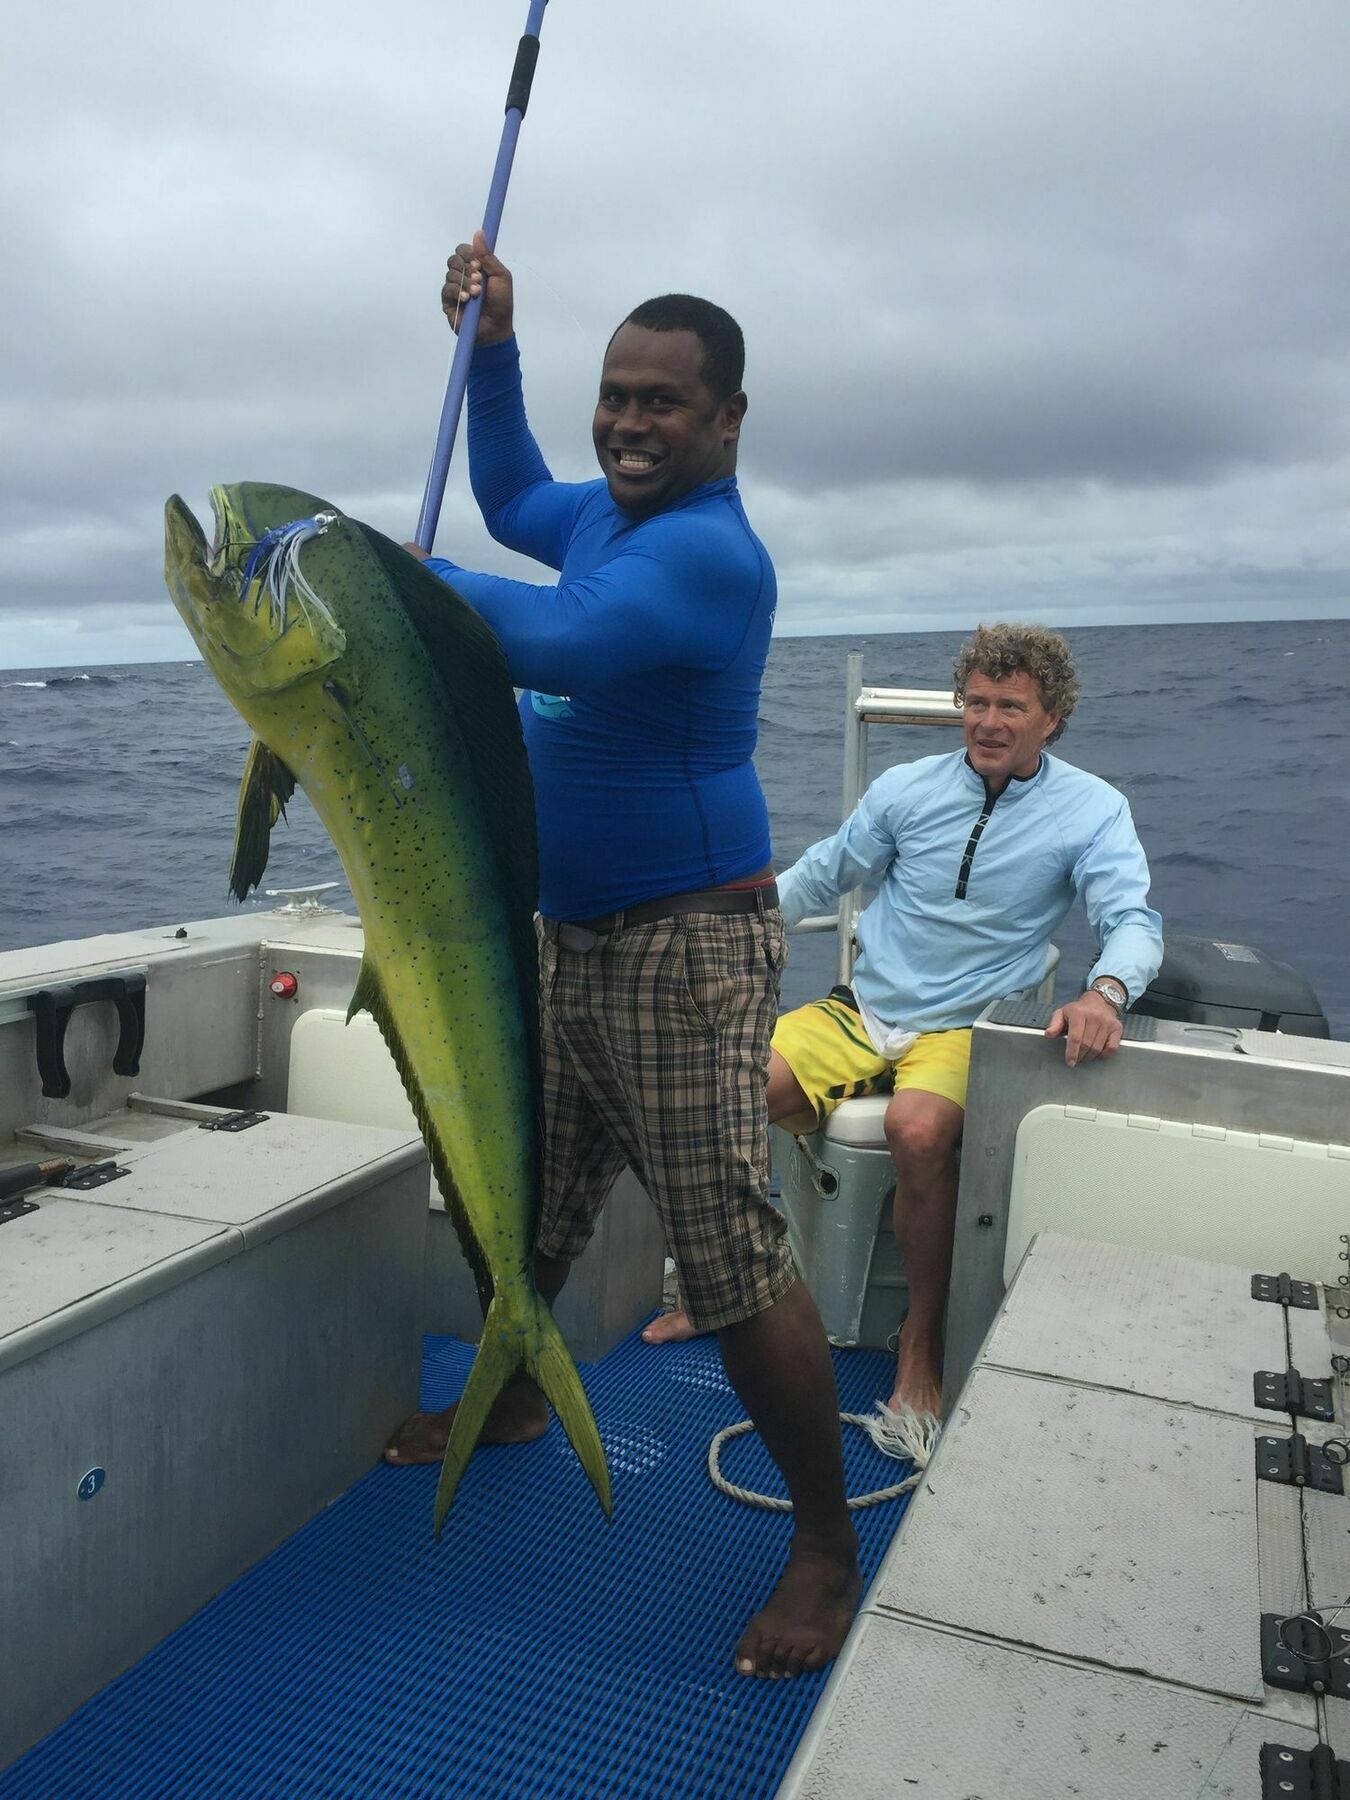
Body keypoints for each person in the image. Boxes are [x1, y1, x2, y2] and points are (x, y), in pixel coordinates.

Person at [386, 233, 861, 1681]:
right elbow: (521, 497)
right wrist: (497, 350)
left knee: (720, 1256)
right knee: (517, 1207)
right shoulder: (603, 513)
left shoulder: (708, 557)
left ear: (725, 420)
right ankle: (521, 1399)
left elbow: (556, 643)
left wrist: (381, 581)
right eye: (616, 394)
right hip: (564, 940)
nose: (629, 423)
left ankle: (825, 1547)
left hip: (683, 952)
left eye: (662, 402)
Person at [643, 625, 1164, 1420]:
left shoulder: (1092, 809)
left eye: (1012, 706)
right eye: (978, 702)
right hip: (864, 1007)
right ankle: (726, 1288)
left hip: (967, 1026)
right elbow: (823, 874)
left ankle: (920, 1338)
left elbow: (1130, 916)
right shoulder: (906, 788)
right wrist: (726, 930)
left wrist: (1106, 992)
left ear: (1052, 717)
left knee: (917, 1133)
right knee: (725, 1095)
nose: (989, 721)